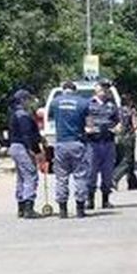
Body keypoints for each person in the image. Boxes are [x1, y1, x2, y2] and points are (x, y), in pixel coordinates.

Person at [48, 81, 92, 218]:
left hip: (61, 143)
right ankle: (80, 209)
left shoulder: (55, 102)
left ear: (63, 90)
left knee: (61, 177)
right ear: (75, 90)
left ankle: (63, 210)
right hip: (77, 143)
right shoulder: (83, 102)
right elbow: (89, 124)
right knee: (80, 175)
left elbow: (50, 116)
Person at [6, 88, 43, 219]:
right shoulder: (23, 115)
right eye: (28, 99)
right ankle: (28, 207)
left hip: (15, 147)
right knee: (31, 175)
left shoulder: (15, 113)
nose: (30, 102)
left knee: (22, 177)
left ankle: (21, 206)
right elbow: (27, 135)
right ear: (22, 100)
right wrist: (35, 151)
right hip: (22, 147)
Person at [84, 80, 120, 210]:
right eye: (102, 88)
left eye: (106, 89)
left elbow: (118, 121)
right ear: (96, 89)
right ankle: (90, 200)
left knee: (107, 173)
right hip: (93, 142)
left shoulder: (112, 105)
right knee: (91, 172)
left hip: (108, 142)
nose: (104, 91)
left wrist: (118, 128)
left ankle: (105, 200)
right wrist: (85, 129)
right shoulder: (88, 104)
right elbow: (83, 120)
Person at [114, 99, 137, 191]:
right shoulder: (131, 111)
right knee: (128, 160)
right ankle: (114, 179)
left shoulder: (116, 111)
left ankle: (133, 183)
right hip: (129, 137)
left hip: (118, 138)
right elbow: (135, 125)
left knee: (119, 159)